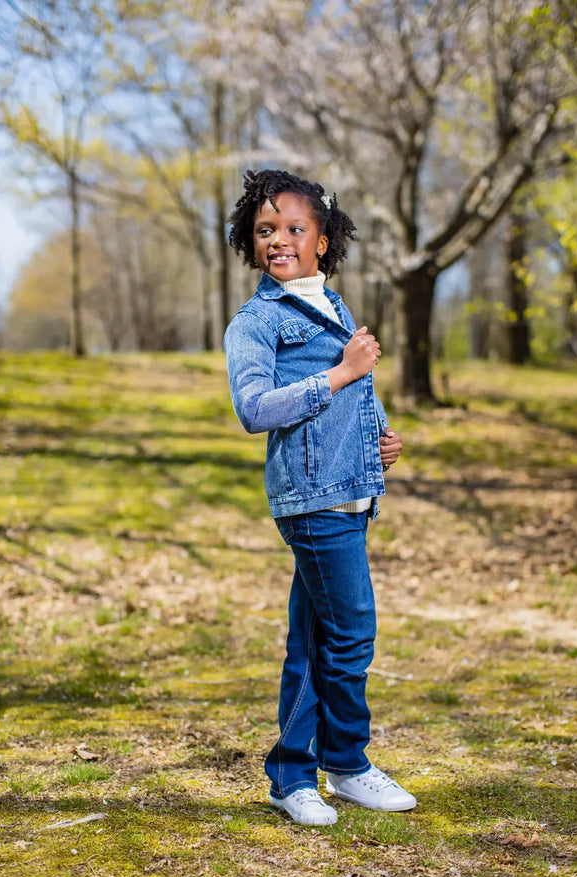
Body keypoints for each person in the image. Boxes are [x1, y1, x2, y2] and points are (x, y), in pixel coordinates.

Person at [224, 169, 416, 826]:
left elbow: (358, 388)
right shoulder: (257, 321)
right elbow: (254, 409)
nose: (278, 241)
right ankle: (348, 764)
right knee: (352, 632)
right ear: (250, 244)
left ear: (325, 240)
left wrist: (378, 437)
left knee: (312, 639)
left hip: (351, 491)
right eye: (264, 231)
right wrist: (339, 374)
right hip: (311, 500)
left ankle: (291, 774)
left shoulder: (334, 306)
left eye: (293, 229)